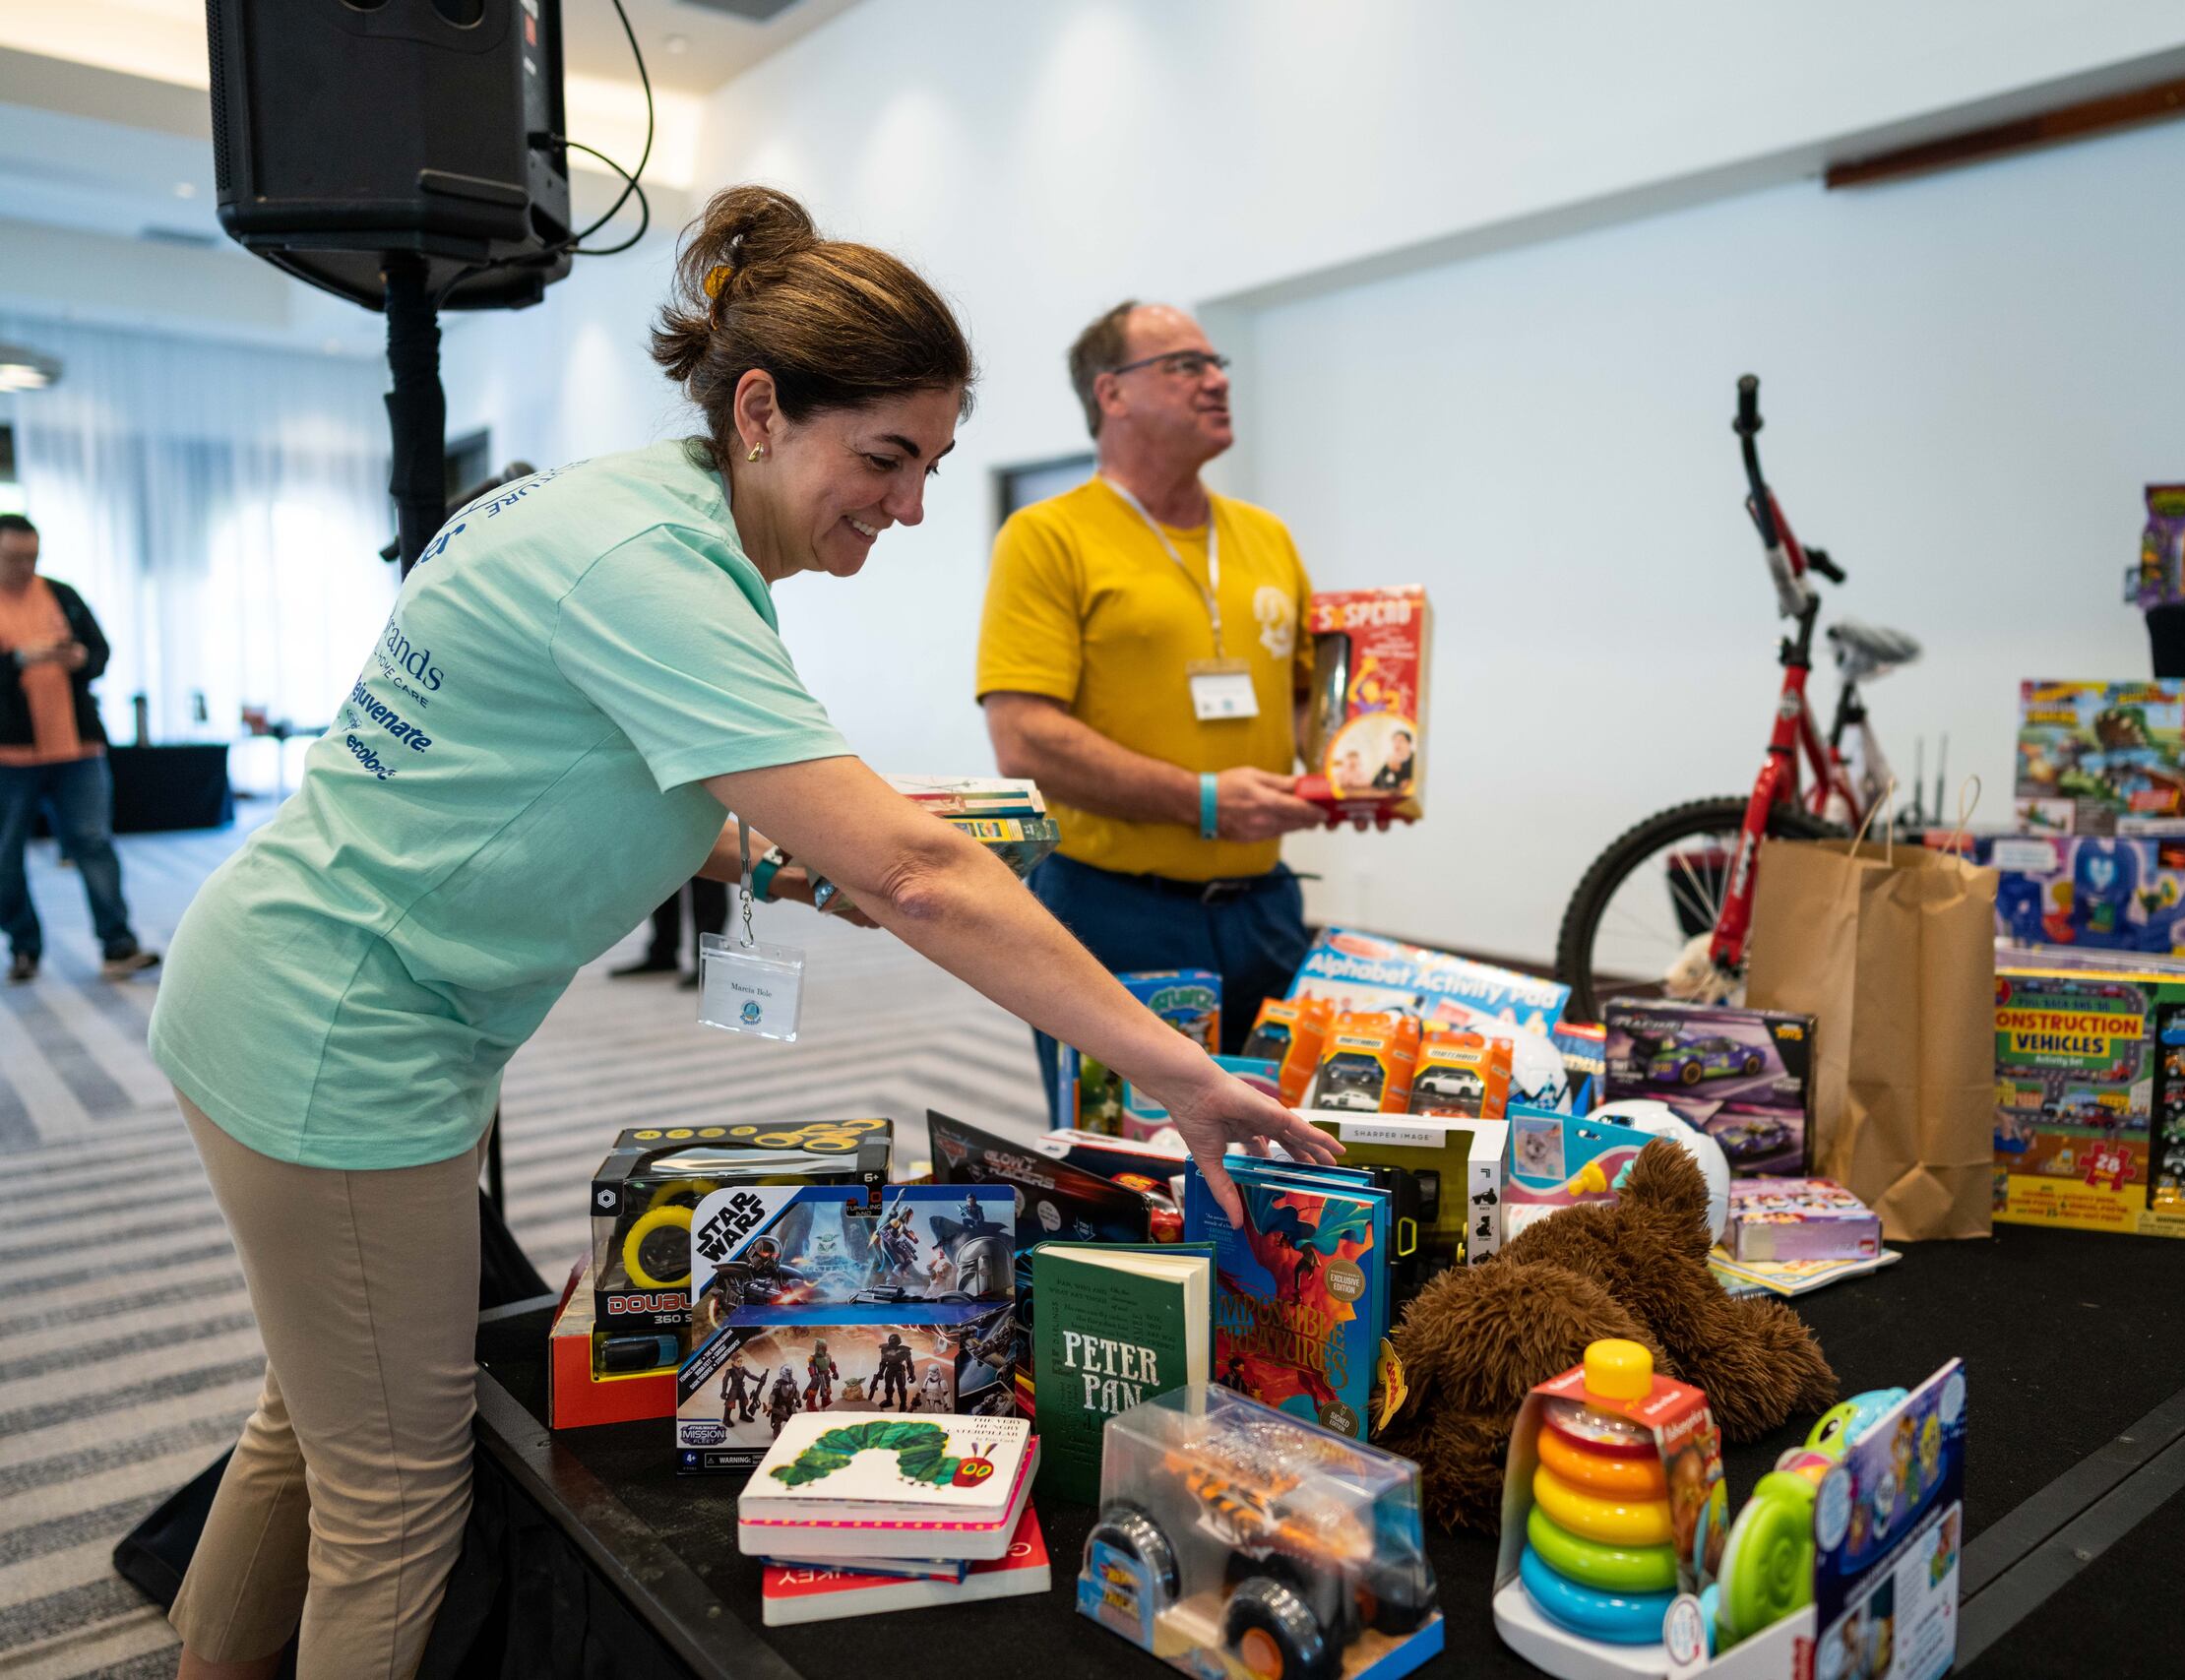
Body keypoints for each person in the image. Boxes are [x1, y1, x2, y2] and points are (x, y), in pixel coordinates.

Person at [148, 187, 1335, 1680]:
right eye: (885, 458)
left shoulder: (623, 512)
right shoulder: (650, 567)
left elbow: (583, 775)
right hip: (339, 1033)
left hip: (314, 988)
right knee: (394, 1492)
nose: (910, 507)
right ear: (761, 410)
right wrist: (1176, 1070)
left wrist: (786, 857)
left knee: (313, 1421)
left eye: (931, 465)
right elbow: (920, 875)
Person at [977, 301, 1327, 1112]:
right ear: (1113, 393)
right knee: (1128, 1159)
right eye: (1185, 365)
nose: (1217, 380)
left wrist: (1358, 773)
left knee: (1279, 1142)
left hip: (1265, 906)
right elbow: (1023, 738)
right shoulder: (1047, 537)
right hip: (1111, 910)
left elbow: (1308, 699)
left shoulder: (1267, 536)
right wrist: (1200, 800)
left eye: (1217, 364)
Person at [0, 513, 158, 982]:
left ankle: (118, 945)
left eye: (32, 557)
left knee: (94, 843)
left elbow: (100, 652)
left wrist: (81, 658)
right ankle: (24, 946)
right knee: (6, 855)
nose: (25, 567)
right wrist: (18, 659)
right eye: (13, 558)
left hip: (78, 747)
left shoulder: (62, 594)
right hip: (10, 757)